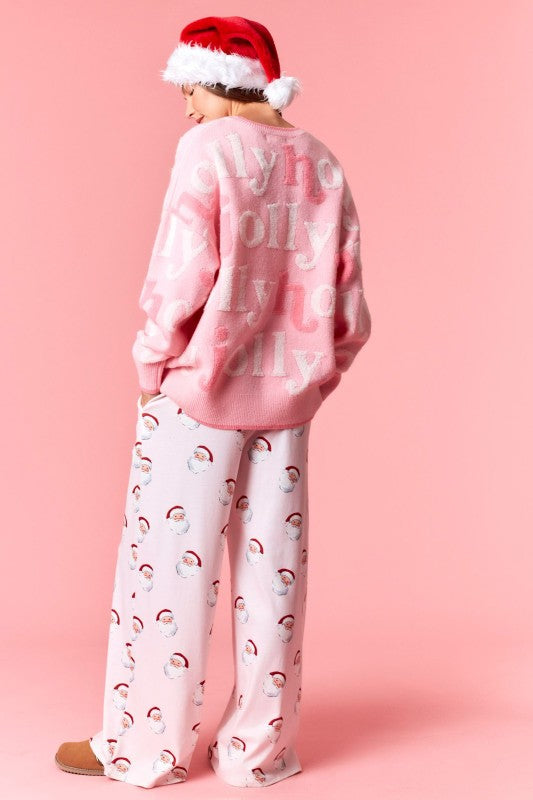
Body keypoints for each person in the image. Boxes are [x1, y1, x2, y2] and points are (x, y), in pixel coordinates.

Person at [54, 14, 371, 789]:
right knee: (273, 582)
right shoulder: (321, 161)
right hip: (287, 406)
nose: (186, 106)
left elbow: (180, 272)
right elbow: (349, 307)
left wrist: (151, 363)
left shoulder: (208, 149)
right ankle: (256, 751)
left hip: (196, 397)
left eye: (189, 90)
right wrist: (311, 378)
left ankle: (145, 745)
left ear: (220, 83)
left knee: (166, 573)